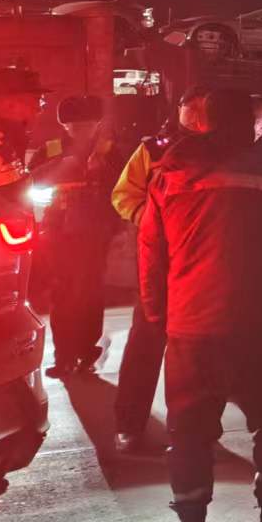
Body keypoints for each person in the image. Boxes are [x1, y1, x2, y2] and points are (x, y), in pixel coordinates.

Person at [139, 87, 262, 522]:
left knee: (189, 434)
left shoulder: (168, 171)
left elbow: (151, 251)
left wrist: (159, 314)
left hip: (191, 325)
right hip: (258, 321)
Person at [108, 85, 211, 454]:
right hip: (159, 262)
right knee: (146, 343)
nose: (196, 116)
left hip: (204, 263)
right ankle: (129, 424)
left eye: (203, 108)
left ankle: (189, 431)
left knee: (196, 353)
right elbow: (123, 195)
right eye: (189, 107)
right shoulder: (153, 149)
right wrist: (152, 223)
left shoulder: (224, 149)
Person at [31, 96, 121, 378]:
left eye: (88, 125)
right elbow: (30, 180)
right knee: (63, 292)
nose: (81, 131)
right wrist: (61, 166)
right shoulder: (50, 150)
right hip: (59, 233)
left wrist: (102, 169)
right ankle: (64, 355)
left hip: (95, 232)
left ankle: (86, 350)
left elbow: (124, 186)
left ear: (98, 124)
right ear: (64, 125)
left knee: (91, 291)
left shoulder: (109, 152)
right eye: (75, 126)